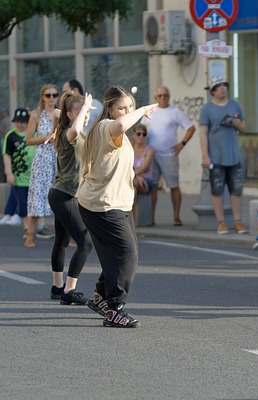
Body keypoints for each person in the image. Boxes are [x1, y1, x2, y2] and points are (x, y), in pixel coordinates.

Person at [78, 86, 157, 328]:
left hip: (115, 202)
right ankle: (114, 309)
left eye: (131, 107)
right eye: (122, 107)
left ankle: (100, 297)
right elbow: (122, 125)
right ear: (110, 109)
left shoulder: (113, 132)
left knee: (118, 254)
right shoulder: (106, 127)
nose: (127, 111)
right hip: (103, 204)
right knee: (127, 254)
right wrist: (143, 110)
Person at [48, 92, 94, 304]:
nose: (85, 115)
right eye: (80, 112)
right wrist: (83, 107)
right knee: (85, 242)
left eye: (86, 112)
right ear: (69, 114)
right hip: (63, 195)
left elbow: (59, 112)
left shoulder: (80, 134)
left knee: (62, 241)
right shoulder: (69, 132)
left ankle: (57, 287)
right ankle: (68, 291)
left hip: (64, 194)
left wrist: (84, 108)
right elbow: (72, 125)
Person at [199, 77, 247, 234]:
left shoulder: (235, 104)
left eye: (224, 86)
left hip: (234, 156)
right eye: (218, 86)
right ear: (212, 91)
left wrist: (236, 123)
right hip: (216, 157)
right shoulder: (207, 108)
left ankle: (238, 222)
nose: (222, 88)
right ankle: (221, 222)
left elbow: (243, 127)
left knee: (236, 191)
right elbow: (203, 133)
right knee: (217, 191)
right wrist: (205, 156)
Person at [142, 86, 195, 226]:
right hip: (152, 155)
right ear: (155, 98)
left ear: (169, 96)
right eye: (159, 96)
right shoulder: (149, 112)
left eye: (165, 95)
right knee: (152, 187)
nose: (163, 98)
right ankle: (151, 218)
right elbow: (141, 132)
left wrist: (182, 144)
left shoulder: (175, 112)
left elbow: (191, 128)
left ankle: (176, 217)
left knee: (174, 186)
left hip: (169, 155)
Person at [24, 84, 59, 247]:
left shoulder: (61, 114)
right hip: (42, 158)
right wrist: (47, 138)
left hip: (58, 158)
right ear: (43, 97)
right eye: (48, 95)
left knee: (61, 198)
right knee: (37, 197)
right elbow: (28, 140)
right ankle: (30, 235)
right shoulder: (36, 115)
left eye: (55, 95)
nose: (52, 98)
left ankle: (65, 237)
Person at [2, 109, 35, 229]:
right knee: (22, 203)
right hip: (19, 177)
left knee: (33, 203)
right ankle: (27, 229)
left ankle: (36, 227)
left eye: (23, 122)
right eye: (17, 121)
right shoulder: (11, 135)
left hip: (33, 176)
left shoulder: (34, 134)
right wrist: (9, 173)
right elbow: (7, 155)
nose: (20, 124)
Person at [131, 124, 155, 224]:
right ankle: (132, 221)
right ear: (133, 135)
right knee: (134, 190)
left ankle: (131, 222)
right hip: (134, 179)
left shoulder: (149, 150)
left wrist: (133, 175)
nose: (141, 136)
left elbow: (144, 168)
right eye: (138, 133)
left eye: (144, 134)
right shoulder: (129, 147)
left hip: (146, 181)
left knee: (133, 185)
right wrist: (135, 176)